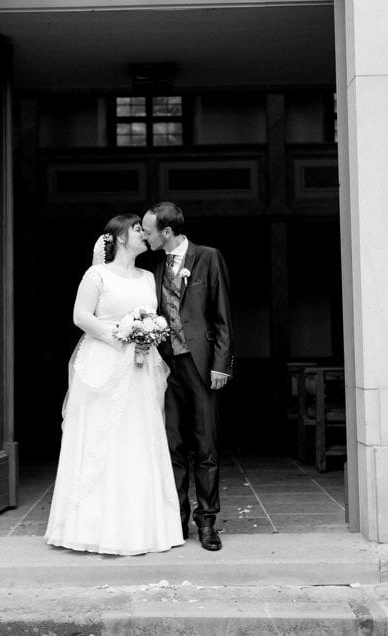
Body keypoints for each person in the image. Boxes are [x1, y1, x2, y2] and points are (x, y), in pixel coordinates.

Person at [45, 214, 183, 556]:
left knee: (138, 438)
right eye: (137, 229)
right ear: (120, 238)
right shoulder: (97, 275)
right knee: (102, 438)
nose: (143, 234)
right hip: (104, 364)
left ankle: (141, 528)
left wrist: (146, 334)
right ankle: (91, 527)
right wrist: (120, 335)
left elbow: (155, 316)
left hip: (140, 368)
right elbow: (81, 316)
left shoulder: (149, 277)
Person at [142, 202, 234, 552]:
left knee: (206, 445)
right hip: (165, 367)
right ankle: (176, 518)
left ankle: (207, 520)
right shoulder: (153, 264)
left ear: (167, 231)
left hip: (200, 364)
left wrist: (222, 364)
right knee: (172, 446)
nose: (146, 235)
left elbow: (222, 314)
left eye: (149, 230)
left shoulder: (208, 257)